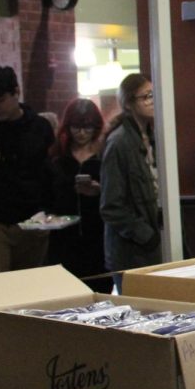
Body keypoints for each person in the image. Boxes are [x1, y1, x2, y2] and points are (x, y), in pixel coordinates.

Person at [0, 64, 55, 272]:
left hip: (32, 219)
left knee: (29, 287)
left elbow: (46, 174)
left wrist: (47, 213)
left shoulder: (39, 127)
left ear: (16, 93)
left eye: (0, 101)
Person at [100, 73, 162, 282]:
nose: (153, 101)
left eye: (154, 95)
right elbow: (111, 206)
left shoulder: (155, 137)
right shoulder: (119, 142)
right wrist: (146, 235)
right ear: (128, 103)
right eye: (146, 96)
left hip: (153, 246)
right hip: (131, 252)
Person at [46, 98, 110, 291]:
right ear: (68, 127)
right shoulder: (57, 155)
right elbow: (48, 190)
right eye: (76, 127)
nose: (82, 133)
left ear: (96, 127)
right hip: (63, 235)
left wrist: (99, 190)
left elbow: (116, 191)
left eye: (88, 128)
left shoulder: (104, 153)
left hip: (97, 233)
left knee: (100, 289)